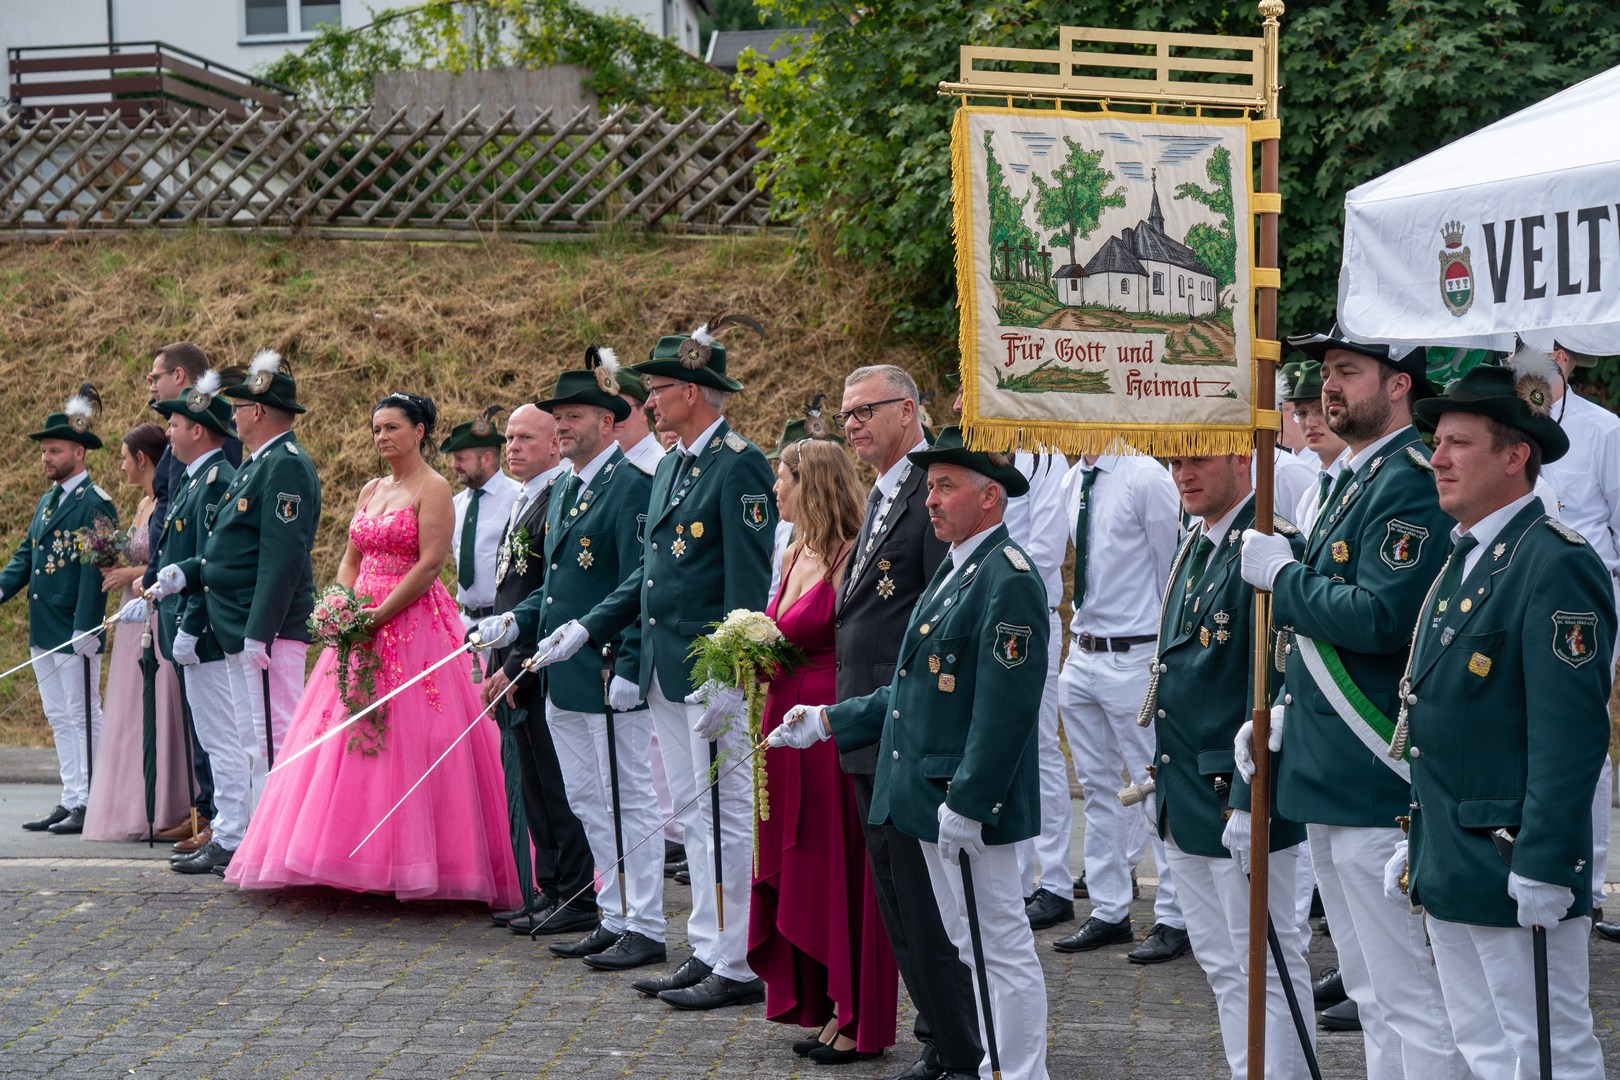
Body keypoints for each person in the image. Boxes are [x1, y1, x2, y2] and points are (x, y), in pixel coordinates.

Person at [514, 316, 777, 1011]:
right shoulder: (675, 465)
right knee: (692, 819)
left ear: (692, 390)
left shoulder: (739, 464)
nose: (648, 401)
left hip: (707, 670)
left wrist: (733, 670)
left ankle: (736, 961)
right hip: (665, 666)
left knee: (721, 817)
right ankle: (707, 948)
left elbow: (748, 583)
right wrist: (588, 626)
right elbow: (648, 576)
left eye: (658, 389)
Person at [771, 426, 1051, 1080]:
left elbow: (1006, 710)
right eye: (929, 487)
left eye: (946, 486)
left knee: (999, 945)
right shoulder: (958, 570)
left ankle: (1017, 1071)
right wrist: (829, 720)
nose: (930, 500)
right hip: (930, 793)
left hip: (966, 802)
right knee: (968, 944)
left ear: (989, 497)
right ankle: (993, 1063)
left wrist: (971, 801)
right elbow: (911, 690)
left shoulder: (1006, 577)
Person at [1239, 329, 1466, 1079]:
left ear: (1399, 384)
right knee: (1371, 992)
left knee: (1409, 996)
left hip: (1376, 774)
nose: (1328, 386)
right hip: (1329, 767)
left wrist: (1284, 578)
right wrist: (1283, 711)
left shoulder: (1407, 480)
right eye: (1326, 372)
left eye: (1347, 371)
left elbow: (1380, 618)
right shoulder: (1351, 479)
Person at [1386, 360, 1612, 1077]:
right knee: (1484, 1052)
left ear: (1515, 457)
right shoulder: (1466, 558)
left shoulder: (1553, 562)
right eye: (1437, 444)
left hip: (1514, 861)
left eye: (1458, 443)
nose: (1438, 459)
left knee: (1548, 1054)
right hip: (1454, 856)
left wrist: (1546, 861)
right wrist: (1423, 838)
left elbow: (1571, 734)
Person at [225, 393, 520, 906]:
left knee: (416, 733)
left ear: (419, 431)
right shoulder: (371, 489)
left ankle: (417, 859)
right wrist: (340, 604)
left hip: (414, 624)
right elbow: (350, 559)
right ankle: (337, 855)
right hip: (358, 626)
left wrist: (379, 615)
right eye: (376, 428)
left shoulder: (435, 488)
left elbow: (430, 565)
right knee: (343, 733)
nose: (382, 436)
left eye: (392, 427)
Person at [832, 364, 978, 1080]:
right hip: (870, 725)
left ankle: (957, 1043)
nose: (853, 424)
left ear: (909, 411)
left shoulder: (931, 495)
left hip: (907, 726)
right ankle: (940, 1034)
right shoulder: (884, 493)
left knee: (923, 903)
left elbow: (938, 618)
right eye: (846, 415)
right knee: (896, 899)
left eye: (866, 411)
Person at [1153, 452, 1314, 1079]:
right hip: (1186, 791)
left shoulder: (1270, 546)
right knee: (1222, 966)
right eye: (1175, 462)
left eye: (1198, 459)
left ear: (1242, 458)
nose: (1182, 474)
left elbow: (1283, 683)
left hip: (1238, 791)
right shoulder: (1195, 544)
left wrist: (1253, 801)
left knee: (1267, 965)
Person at [501, 356, 664, 966]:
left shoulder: (632, 487)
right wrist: (516, 621)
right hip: (563, 672)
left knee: (628, 800)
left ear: (608, 422)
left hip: (605, 668)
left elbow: (641, 585)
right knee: (590, 800)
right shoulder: (568, 487)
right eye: (559, 417)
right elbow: (559, 587)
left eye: (574, 416)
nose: (563, 426)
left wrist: (630, 665)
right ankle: (614, 913)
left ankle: (645, 924)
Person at [748, 437, 897, 1065]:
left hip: (827, 723)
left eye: (782, 477)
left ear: (809, 483)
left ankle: (856, 1014)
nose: (774, 489)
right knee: (799, 859)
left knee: (838, 864)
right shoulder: (792, 551)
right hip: (784, 724)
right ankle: (819, 1000)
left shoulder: (851, 554)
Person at [151, 351, 322, 875]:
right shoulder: (258, 463)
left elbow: (282, 557)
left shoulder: (285, 464)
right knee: (254, 742)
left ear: (259, 412)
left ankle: (278, 848)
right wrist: (188, 573)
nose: (234, 415)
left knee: (273, 740)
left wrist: (260, 631)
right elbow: (231, 552)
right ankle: (254, 842)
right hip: (241, 624)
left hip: (263, 628)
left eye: (241, 406)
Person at [1052, 449, 1189, 963]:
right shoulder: (1074, 480)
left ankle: (1175, 915)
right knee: (1097, 788)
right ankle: (1109, 909)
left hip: (1136, 653)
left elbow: (1170, 570)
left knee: (1155, 784)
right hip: (1084, 650)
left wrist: (1164, 653)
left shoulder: (1144, 476)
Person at [480, 402, 592, 935]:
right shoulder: (526, 498)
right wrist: (497, 659)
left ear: (554, 445)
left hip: (543, 660)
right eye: (509, 438)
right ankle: (550, 888)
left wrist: (518, 663)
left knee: (556, 781)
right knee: (532, 781)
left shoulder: (559, 498)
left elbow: (551, 593)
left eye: (526, 438)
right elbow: (511, 590)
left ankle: (576, 894)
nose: (513, 447)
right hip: (515, 657)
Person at [4, 387, 118, 836]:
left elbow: (96, 568)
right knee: (59, 716)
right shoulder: (48, 500)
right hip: (45, 626)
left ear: (79, 452)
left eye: (54, 451)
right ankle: (71, 796)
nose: (46, 458)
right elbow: (26, 557)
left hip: (74, 628)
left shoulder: (96, 502)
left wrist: (86, 627)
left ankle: (92, 801)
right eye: (43, 451)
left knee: (83, 714)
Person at [142, 343, 241, 847]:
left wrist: (192, 625)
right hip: (184, 620)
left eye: (175, 425)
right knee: (210, 734)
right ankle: (222, 828)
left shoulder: (217, 480)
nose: (169, 432)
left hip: (203, 629)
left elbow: (209, 564)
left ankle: (228, 833)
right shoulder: (193, 479)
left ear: (198, 430)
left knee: (222, 738)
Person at [1538, 341, 1620, 936]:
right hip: (1518, 594)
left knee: (1582, 739)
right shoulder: (1501, 424)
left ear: (1564, 355)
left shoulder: (1604, 430)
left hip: (1586, 608)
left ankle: (1587, 890)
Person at [82, 423, 190, 842]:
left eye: (125, 457)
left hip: (154, 611)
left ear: (142, 459)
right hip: (133, 612)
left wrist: (127, 574)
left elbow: (162, 562)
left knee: (158, 701)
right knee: (130, 709)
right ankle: (132, 800)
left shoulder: (166, 502)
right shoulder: (145, 503)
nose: (121, 465)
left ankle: (164, 802)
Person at [443, 408, 520, 632]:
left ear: (486, 459)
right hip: (465, 621)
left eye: (461, 459)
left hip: (503, 621)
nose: (454, 465)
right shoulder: (456, 504)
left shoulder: (518, 498)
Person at [612, 369, 666, 475]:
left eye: (623, 409)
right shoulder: (607, 455)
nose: (615, 417)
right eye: (611, 409)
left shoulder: (658, 464)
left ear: (643, 412)